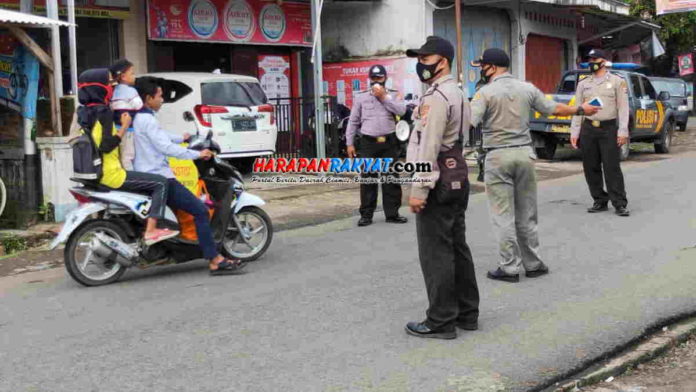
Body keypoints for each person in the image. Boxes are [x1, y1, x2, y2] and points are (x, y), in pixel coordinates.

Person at [470, 48, 600, 283]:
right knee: (527, 213)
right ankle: (533, 264)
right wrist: (582, 109)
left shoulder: (484, 93)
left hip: (497, 157)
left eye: (482, 66)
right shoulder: (527, 88)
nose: (481, 70)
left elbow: (470, 120)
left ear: (492, 67)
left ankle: (510, 268)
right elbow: (553, 109)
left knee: (503, 216)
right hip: (525, 156)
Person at [402, 36, 479, 340]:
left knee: (436, 252)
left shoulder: (436, 97)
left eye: (425, 58)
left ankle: (441, 320)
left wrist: (418, 189)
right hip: (456, 172)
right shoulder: (457, 91)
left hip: (437, 178)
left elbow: (428, 145)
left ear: (442, 61)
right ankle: (467, 313)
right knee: (456, 247)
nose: (420, 64)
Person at [132, 77, 246, 276]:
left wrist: (182, 138)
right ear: (149, 98)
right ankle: (215, 260)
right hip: (160, 176)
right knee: (200, 210)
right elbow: (165, 147)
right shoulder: (147, 120)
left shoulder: (141, 118)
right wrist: (196, 154)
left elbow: (161, 136)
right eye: (159, 96)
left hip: (146, 173)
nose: (162, 100)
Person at [76, 68, 177, 246]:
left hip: (94, 174)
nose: (112, 87)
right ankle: (152, 230)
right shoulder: (104, 113)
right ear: (98, 87)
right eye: (108, 83)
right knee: (161, 182)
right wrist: (124, 126)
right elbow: (107, 146)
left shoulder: (83, 112)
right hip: (112, 174)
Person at [345, 64, 408, 227]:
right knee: (368, 180)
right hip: (368, 143)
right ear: (369, 79)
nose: (376, 81)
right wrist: (349, 143)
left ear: (385, 78)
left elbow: (402, 111)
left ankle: (392, 213)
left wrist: (384, 97)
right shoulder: (361, 97)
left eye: (379, 78)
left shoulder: (393, 95)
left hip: (388, 142)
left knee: (391, 179)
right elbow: (353, 121)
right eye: (373, 78)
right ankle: (366, 214)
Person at [570, 49, 630, 217]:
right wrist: (575, 132)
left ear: (603, 61)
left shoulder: (617, 82)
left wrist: (622, 131)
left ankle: (619, 203)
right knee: (590, 166)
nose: (591, 62)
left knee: (612, 167)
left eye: (594, 59)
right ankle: (599, 200)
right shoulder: (583, 83)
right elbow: (578, 109)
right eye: (589, 59)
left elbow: (623, 108)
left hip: (609, 128)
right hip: (589, 128)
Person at [109, 59, 143, 171]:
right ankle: (131, 177)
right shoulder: (130, 91)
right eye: (132, 73)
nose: (134, 76)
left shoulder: (114, 90)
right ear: (123, 76)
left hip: (117, 129)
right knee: (128, 157)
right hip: (129, 130)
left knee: (121, 156)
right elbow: (139, 106)